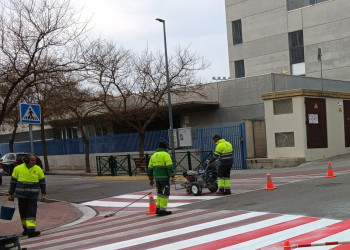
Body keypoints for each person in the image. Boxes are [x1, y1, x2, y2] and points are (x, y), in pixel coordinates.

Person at [8, 154, 47, 238]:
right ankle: (25, 229)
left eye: (35, 160)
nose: (35, 162)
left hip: (33, 195)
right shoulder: (17, 169)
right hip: (21, 195)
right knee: (23, 212)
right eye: (32, 160)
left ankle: (31, 231)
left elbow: (42, 183)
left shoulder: (38, 169)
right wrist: (10, 193)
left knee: (31, 212)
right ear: (26, 161)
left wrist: (44, 193)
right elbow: (13, 182)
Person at [148, 141, 175, 216]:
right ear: (165, 147)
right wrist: (172, 176)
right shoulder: (165, 155)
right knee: (165, 193)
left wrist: (151, 179)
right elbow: (169, 166)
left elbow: (149, 168)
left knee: (159, 193)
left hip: (157, 179)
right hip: (164, 178)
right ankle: (163, 209)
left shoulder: (153, 155)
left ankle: (158, 208)